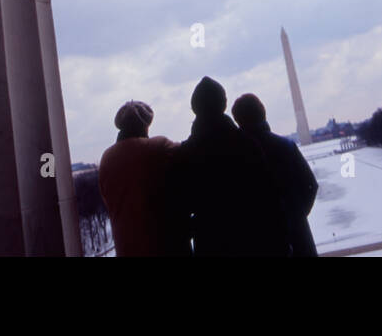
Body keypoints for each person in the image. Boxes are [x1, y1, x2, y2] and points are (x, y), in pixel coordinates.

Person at [171, 77, 291, 256]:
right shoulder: (247, 144)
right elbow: (270, 197)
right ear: (224, 104)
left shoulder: (185, 154)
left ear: (194, 108)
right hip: (255, 240)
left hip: (211, 243)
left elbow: (179, 213)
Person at [231, 93, 319, 256]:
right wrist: (296, 216)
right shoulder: (286, 146)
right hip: (297, 239)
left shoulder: (234, 156)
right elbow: (311, 185)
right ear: (263, 113)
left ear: (238, 120)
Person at [98, 100, 188, 256]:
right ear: (146, 125)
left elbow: (107, 199)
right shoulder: (159, 147)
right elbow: (189, 153)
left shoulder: (107, 157)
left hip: (127, 247)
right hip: (164, 246)